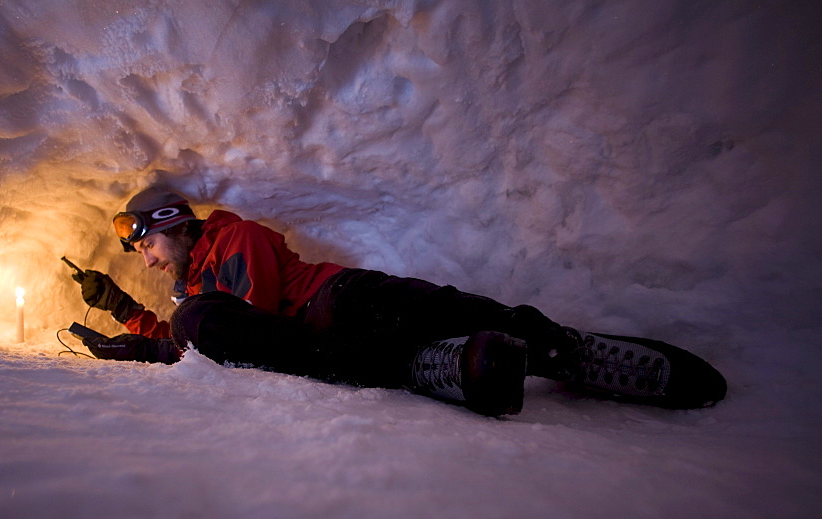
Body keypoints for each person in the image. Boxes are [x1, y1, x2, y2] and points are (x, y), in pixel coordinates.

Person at [72, 186, 726, 417]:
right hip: (325, 343)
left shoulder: (229, 239)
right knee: (192, 319)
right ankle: (441, 365)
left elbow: (251, 316)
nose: (145, 258)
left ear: (172, 224)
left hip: (340, 301)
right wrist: (121, 308)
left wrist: (160, 342)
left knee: (456, 308)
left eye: (146, 246)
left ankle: (569, 351)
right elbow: (196, 334)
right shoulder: (193, 291)